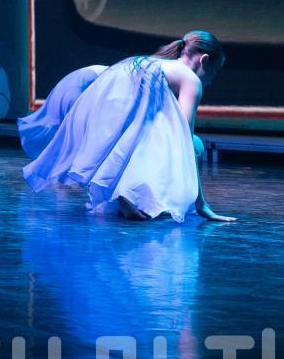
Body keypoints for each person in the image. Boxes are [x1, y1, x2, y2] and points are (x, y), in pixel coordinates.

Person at [18, 31, 236, 223]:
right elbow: (184, 140)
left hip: (107, 88)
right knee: (193, 145)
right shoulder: (190, 79)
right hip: (114, 94)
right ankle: (129, 194)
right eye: (214, 72)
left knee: (143, 137)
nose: (212, 80)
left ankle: (123, 194)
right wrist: (201, 205)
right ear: (204, 60)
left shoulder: (157, 63)